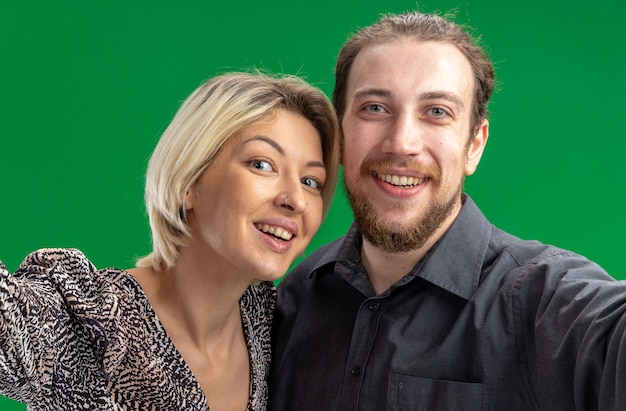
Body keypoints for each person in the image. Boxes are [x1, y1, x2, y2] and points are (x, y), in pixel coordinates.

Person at [269, 10, 626, 411]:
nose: (401, 143)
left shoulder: (545, 303)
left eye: (437, 111)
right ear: (340, 133)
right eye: (374, 108)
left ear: (474, 145)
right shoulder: (293, 299)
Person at [0, 72, 340, 410]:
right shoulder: (89, 318)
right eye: (262, 164)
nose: (295, 199)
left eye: (311, 181)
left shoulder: (272, 324)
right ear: (188, 183)